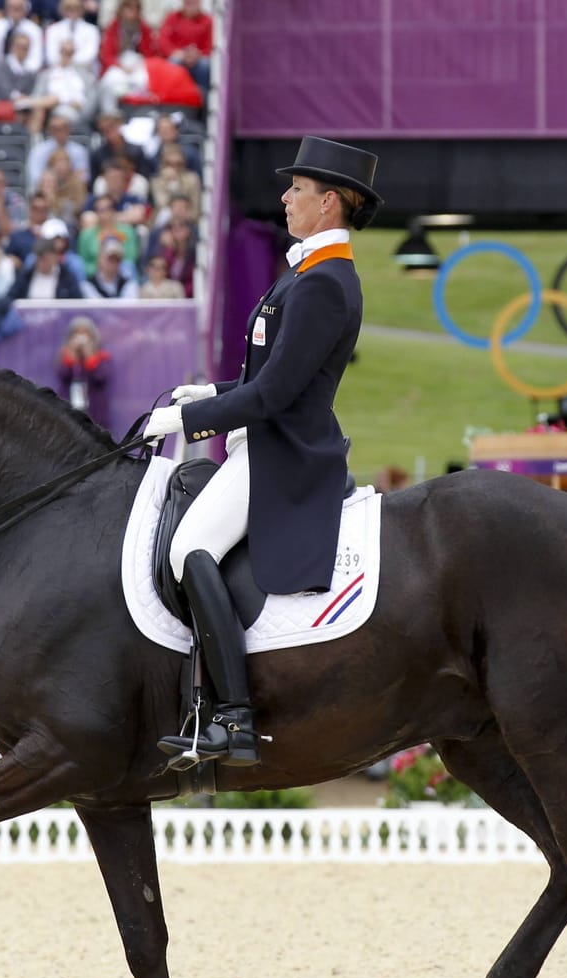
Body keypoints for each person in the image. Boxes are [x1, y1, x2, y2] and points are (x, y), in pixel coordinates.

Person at [142, 137, 381, 768]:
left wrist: (187, 419)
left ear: (328, 202)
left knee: (188, 548)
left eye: (296, 190)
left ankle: (233, 718)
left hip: (282, 453)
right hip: (265, 441)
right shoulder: (307, 272)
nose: (285, 198)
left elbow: (275, 396)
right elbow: (269, 378)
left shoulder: (325, 283)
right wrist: (212, 391)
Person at [56, 315, 112, 428]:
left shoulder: (102, 356)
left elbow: (101, 377)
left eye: (85, 333)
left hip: (95, 411)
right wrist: (72, 356)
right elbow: (63, 375)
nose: (81, 337)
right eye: (76, 333)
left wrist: (89, 355)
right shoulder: (65, 354)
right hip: (69, 408)